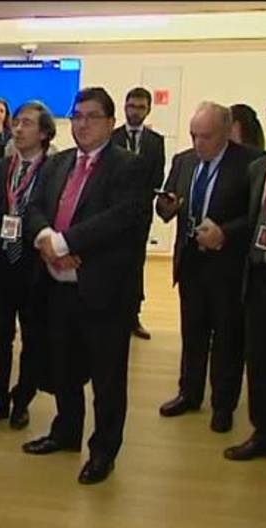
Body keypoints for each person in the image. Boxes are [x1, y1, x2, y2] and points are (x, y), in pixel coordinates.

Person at [23, 87, 144, 485]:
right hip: (57, 285)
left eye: (92, 116)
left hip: (103, 290)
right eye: (76, 117)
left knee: (108, 379)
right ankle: (66, 431)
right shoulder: (57, 163)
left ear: (110, 123)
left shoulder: (128, 166)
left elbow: (120, 219)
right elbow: (36, 207)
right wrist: (45, 238)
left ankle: (103, 451)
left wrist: (67, 243)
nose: (82, 124)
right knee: (64, 366)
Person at [155, 102, 253, 433]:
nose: (199, 143)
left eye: (206, 137)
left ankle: (223, 404)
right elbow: (165, 205)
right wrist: (166, 206)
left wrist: (225, 233)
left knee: (227, 336)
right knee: (192, 331)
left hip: (227, 265)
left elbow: (255, 216)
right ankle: (189, 392)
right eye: (194, 135)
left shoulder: (249, 163)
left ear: (226, 132)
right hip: (191, 261)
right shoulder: (184, 161)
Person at [0, 100, 55, 431]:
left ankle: (23, 398)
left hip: (35, 265)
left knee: (34, 337)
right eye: (16, 122)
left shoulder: (55, 170)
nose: (18, 128)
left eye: (28, 123)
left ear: (45, 133)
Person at [224, 89, 266, 475]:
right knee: (259, 360)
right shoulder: (261, 168)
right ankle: (265, 432)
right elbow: (252, 220)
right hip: (261, 275)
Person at [111, 87, 166, 341]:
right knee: (114, 263)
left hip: (141, 214)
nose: (135, 111)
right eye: (131, 106)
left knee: (135, 265)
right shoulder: (112, 138)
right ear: (124, 107)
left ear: (148, 110)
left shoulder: (156, 142)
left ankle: (133, 316)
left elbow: (157, 176)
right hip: (113, 215)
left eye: (141, 107)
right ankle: (112, 314)